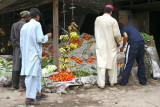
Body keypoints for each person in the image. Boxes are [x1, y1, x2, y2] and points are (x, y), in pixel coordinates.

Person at [20, 8, 52, 105]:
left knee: (37, 74)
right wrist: (47, 36)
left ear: (30, 16)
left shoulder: (24, 27)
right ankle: (28, 99)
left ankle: (38, 93)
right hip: (33, 54)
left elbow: (21, 43)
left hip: (27, 54)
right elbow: (40, 39)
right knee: (31, 76)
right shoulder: (37, 25)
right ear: (37, 16)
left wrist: (22, 54)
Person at [94, 5, 121, 89]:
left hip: (100, 44)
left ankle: (101, 84)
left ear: (104, 11)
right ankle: (112, 82)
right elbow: (116, 34)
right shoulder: (113, 20)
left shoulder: (98, 19)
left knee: (101, 63)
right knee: (112, 62)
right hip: (111, 44)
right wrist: (118, 42)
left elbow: (96, 31)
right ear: (111, 12)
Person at [10, 11, 30, 91]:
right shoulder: (26, 25)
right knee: (23, 66)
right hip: (24, 48)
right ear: (27, 17)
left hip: (16, 48)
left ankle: (14, 85)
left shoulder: (14, 25)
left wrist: (17, 44)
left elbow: (12, 38)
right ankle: (22, 85)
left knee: (16, 65)